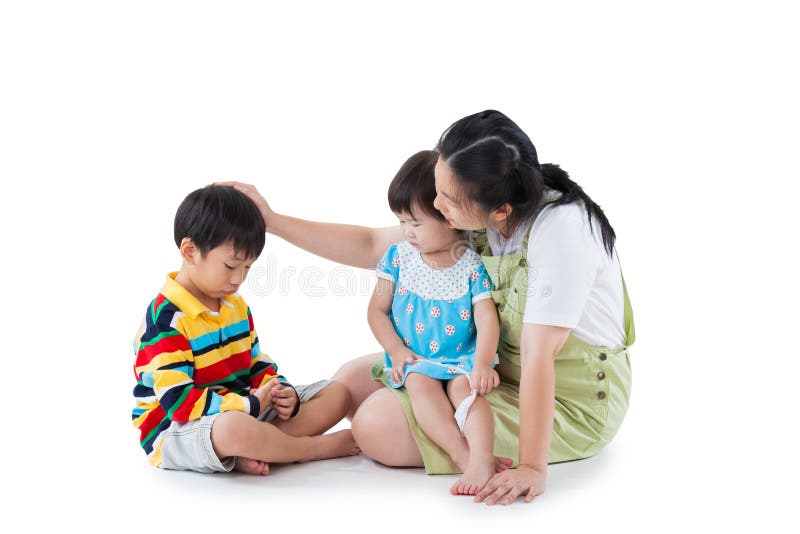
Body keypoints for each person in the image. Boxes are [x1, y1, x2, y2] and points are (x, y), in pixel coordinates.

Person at [217, 109, 635, 505]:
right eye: (437, 189)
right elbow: (369, 244)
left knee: (373, 424)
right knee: (352, 380)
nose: (435, 207)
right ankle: (267, 443)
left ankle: (456, 454)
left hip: (567, 399)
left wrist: (531, 467)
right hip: (487, 368)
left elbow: (538, 354)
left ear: (501, 208)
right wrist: (272, 221)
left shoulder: (560, 231)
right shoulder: (483, 201)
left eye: (446, 200)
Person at [131, 185, 359, 475]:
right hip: (178, 429)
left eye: (248, 268)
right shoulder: (166, 322)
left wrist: (279, 389)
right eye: (231, 265)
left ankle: (258, 449)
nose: (239, 278)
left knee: (337, 394)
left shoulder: (234, 306)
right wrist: (248, 404)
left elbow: (254, 362)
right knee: (233, 429)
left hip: (242, 405)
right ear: (190, 251)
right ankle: (308, 449)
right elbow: (179, 404)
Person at [368, 150, 503, 495]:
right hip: (417, 360)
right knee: (421, 389)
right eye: (401, 221)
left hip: (461, 358)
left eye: (415, 222)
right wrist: (396, 350)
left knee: (467, 394)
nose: (406, 231)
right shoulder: (398, 258)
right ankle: (462, 456)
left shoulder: (470, 264)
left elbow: (486, 318)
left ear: (448, 217)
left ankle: (482, 456)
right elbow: (376, 310)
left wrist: (483, 364)